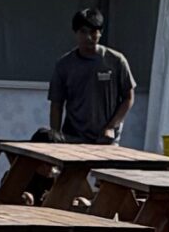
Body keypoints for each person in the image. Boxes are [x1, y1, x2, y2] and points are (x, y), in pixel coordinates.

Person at [47, 8, 136, 145]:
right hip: (72, 138)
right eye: (83, 31)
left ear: (100, 33)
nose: (89, 37)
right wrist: (55, 136)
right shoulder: (64, 65)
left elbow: (128, 98)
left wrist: (111, 127)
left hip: (105, 139)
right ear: (75, 32)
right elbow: (56, 104)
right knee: (42, 135)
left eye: (93, 32)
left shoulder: (116, 61)